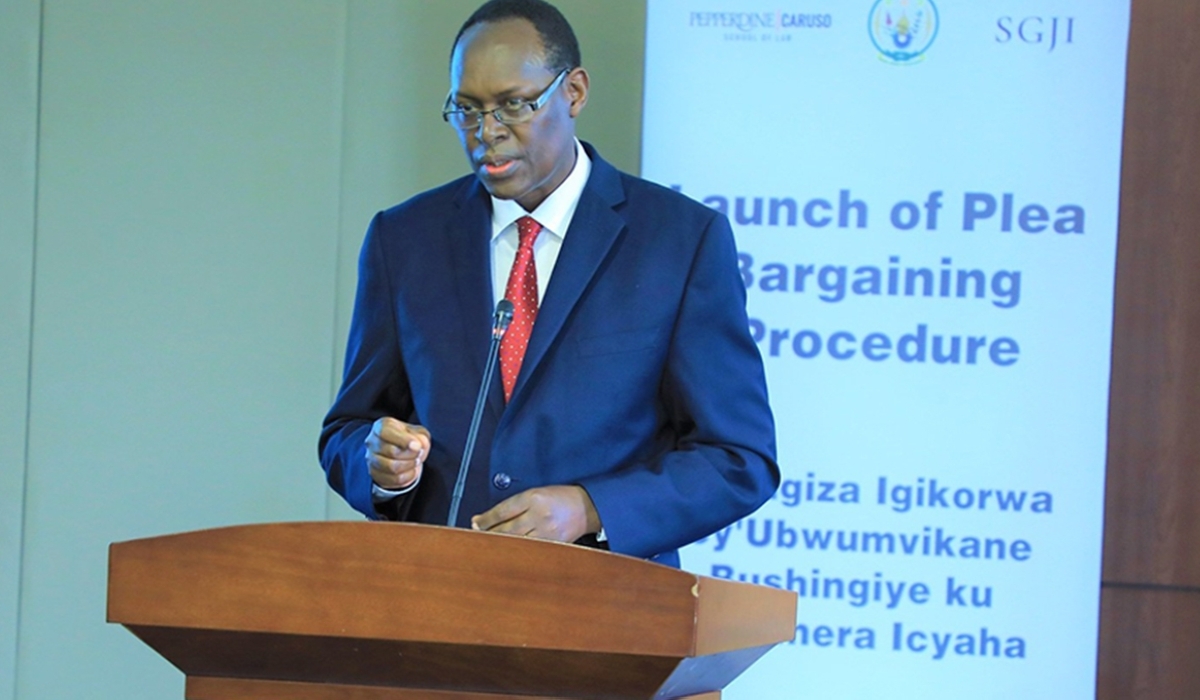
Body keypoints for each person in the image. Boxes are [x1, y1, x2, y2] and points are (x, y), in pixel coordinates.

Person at [319, 0, 778, 566]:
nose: (487, 133)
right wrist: (379, 467)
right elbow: (349, 428)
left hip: (606, 615)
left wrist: (591, 508)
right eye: (467, 110)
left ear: (575, 92)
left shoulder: (679, 241)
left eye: (513, 106)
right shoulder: (405, 239)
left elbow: (738, 457)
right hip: (438, 600)